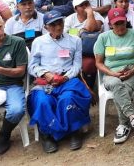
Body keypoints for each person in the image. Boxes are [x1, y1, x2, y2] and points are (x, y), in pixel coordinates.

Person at [28, 10, 90, 153]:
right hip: (46, 80)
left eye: (60, 22)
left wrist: (66, 77)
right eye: (53, 24)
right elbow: (32, 66)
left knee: (68, 98)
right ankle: (47, 134)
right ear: (45, 27)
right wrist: (46, 73)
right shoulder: (38, 42)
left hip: (67, 79)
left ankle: (74, 131)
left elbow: (77, 65)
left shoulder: (75, 40)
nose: (58, 27)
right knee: (43, 101)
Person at [94, 8, 134, 144]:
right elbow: (99, 63)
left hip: (133, 72)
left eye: (122, 23)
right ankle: (132, 118)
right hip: (111, 73)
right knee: (117, 84)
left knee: (122, 88)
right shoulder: (103, 37)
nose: (119, 26)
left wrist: (132, 71)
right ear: (110, 24)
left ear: (126, 21)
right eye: (116, 24)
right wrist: (112, 73)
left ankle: (123, 126)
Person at [0, 12, 27, 155]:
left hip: (12, 84)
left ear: (4, 25)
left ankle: (4, 135)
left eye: (0, 27)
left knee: (17, 109)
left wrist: (0, 70)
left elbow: (21, 72)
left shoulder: (17, 42)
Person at [64, 0, 104, 90]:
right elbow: (64, 36)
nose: (85, 7)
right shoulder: (70, 19)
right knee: (61, 57)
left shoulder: (96, 15)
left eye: (87, 4)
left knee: (89, 64)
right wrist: (81, 32)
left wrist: (90, 13)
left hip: (89, 51)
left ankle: (87, 88)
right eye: (82, 5)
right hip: (72, 49)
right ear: (75, 9)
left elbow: (91, 28)